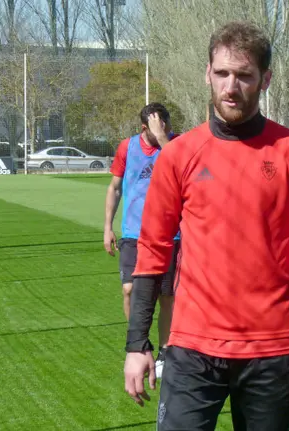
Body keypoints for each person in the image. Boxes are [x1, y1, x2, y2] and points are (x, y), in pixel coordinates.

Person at [123, 21, 289, 431]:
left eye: (244, 75)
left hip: (273, 350)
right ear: (208, 73)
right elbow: (153, 250)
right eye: (222, 73)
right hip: (192, 349)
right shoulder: (179, 155)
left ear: (265, 80)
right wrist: (137, 343)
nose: (231, 87)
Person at [104, 103, 179, 378]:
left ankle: (165, 353)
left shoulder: (176, 144)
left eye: (166, 125)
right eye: (157, 127)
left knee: (167, 296)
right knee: (129, 290)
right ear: (143, 127)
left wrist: (162, 137)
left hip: (171, 234)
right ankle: (139, 345)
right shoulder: (127, 147)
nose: (163, 130)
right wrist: (107, 227)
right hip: (134, 234)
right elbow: (114, 187)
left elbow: (180, 166)